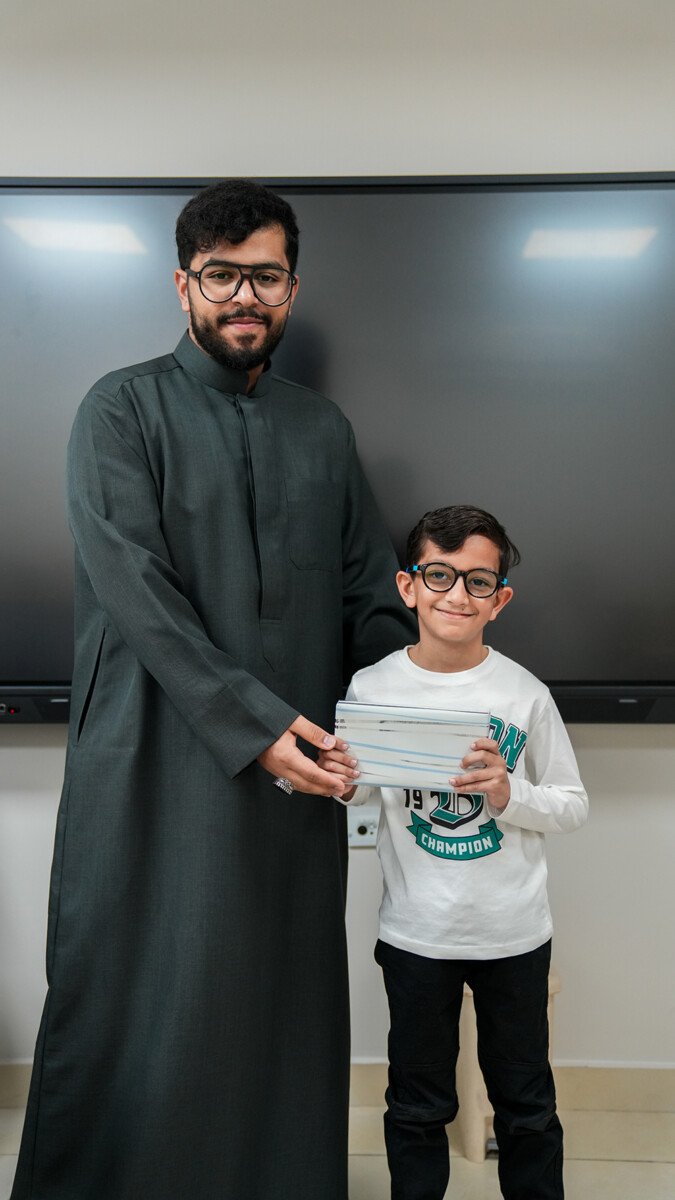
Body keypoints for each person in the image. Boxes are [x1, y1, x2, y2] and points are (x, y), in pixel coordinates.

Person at [11, 179, 415, 1200]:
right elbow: (136, 592)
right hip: (150, 760)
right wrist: (256, 725)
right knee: (136, 991)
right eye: (222, 275)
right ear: (182, 284)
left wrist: (414, 718)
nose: (245, 296)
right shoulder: (120, 408)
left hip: (295, 775)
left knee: (274, 999)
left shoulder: (321, 429)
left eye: (266, 277)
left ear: (292, 289)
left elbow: (369, 595)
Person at [319, 504, 589, 1200]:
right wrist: (342, 781)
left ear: (499, 600)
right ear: (408, 586)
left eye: (477, 581)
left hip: (514, 935)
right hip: (415, 934)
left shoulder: (524, 695)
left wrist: (507, 793)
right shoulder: (371, 688)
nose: (456, 595)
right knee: (415, 1106)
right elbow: (361, 795)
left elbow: (571, 803)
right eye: (439, 575)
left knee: (527, 1108)